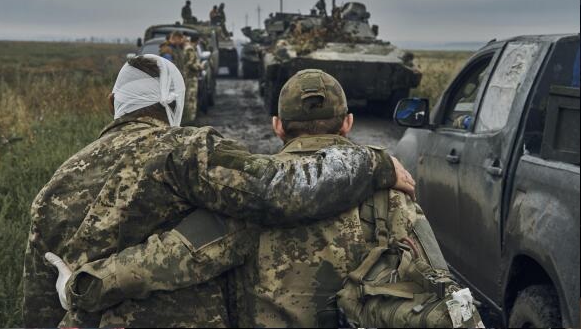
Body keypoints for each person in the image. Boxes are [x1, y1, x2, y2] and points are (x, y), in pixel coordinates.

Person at [23, 59, 413, 328]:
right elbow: (274, 189)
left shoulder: (51, 190)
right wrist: (373, 164)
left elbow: (39, 308)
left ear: (278, 126)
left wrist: (83, 288)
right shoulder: (186, 151)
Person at [181, 34, 202, 123]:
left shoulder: (187, 48)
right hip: (191, 76)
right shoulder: (190, 49)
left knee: (189, 97)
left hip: (188, 76)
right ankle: (190, 119)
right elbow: (190, 64)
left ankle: (188, 118)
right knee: (191, 98)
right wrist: (199, 67)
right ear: (197, 40)